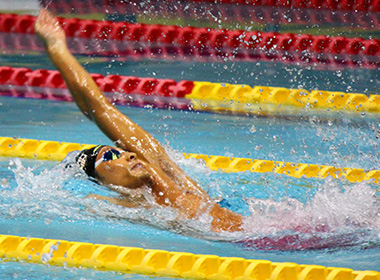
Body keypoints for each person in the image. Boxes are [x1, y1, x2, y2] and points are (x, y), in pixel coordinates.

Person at [34, 9, 243, 232]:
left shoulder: (170, 175)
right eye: (112, 155)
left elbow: (98, 109)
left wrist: (57, 49)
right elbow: (96, 110)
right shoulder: (135, 209)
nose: (130, 154)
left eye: (123, 152)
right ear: (103, 182)